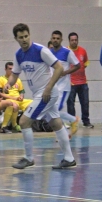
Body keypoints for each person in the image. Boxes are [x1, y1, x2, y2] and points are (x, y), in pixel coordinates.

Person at [5, 23, 76, 169]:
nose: (24, 39)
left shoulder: (41, 50)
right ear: (16, 38)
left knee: (24, 121)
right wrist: (8, 84)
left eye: (26, 36)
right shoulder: (19, 54)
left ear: (29, 35)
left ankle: (29, 158)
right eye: (21, 37)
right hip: (39, 93)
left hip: (46, 93)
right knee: (56, 123)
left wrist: (48, 89)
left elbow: (59, 68)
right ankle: (69, 159)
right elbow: (15, 74)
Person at [50, 30, 81, 138]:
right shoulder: (48, 52)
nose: (55, 40)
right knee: (51, 112)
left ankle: (72, 122)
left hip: (63, 88)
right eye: (54, 38)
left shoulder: (67, 52)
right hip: (52, 87)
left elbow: (78, 65)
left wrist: (65, 73)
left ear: (61, 40)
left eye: (58, 38)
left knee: (56, 111)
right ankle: (70, 125)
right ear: (51, 39)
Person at [66, 32, 94, 128]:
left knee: (85, 103)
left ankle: (86, 121)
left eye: (75, 40)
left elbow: (86, 63)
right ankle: (72, 122)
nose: (74, 42)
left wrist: (80, 71)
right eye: (72, 40)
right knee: (70, 104)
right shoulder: (66, 51)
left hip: (83, 82)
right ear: (69, 41)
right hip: (71, 83)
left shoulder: (83, 51)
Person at [0, 62, 33, 133]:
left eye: (12, 69)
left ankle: (25, 123)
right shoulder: (1, 79)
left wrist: (21, 96)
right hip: (9, 99)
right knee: (14, 105)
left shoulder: (18, 80)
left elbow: (22, 91)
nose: (11, 71)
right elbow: (0, 93)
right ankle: (13, 125)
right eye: (9, 69)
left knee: (32, 104)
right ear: (5, 69)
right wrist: (14, 98)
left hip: (18, 99)